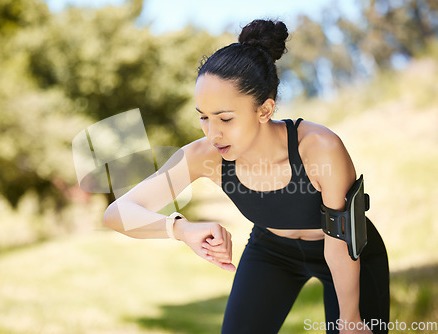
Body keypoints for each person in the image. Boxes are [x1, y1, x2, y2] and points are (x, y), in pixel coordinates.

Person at [103, 19, 389, 334]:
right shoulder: (204, 157)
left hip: (347, 250)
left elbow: (340, 240)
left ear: (264, 110)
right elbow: (117, 214)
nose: (213, 133)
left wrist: (350, 318)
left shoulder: (319, 147)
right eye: (204, 118)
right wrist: (180, 229)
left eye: (225, 118)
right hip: (271, 251)